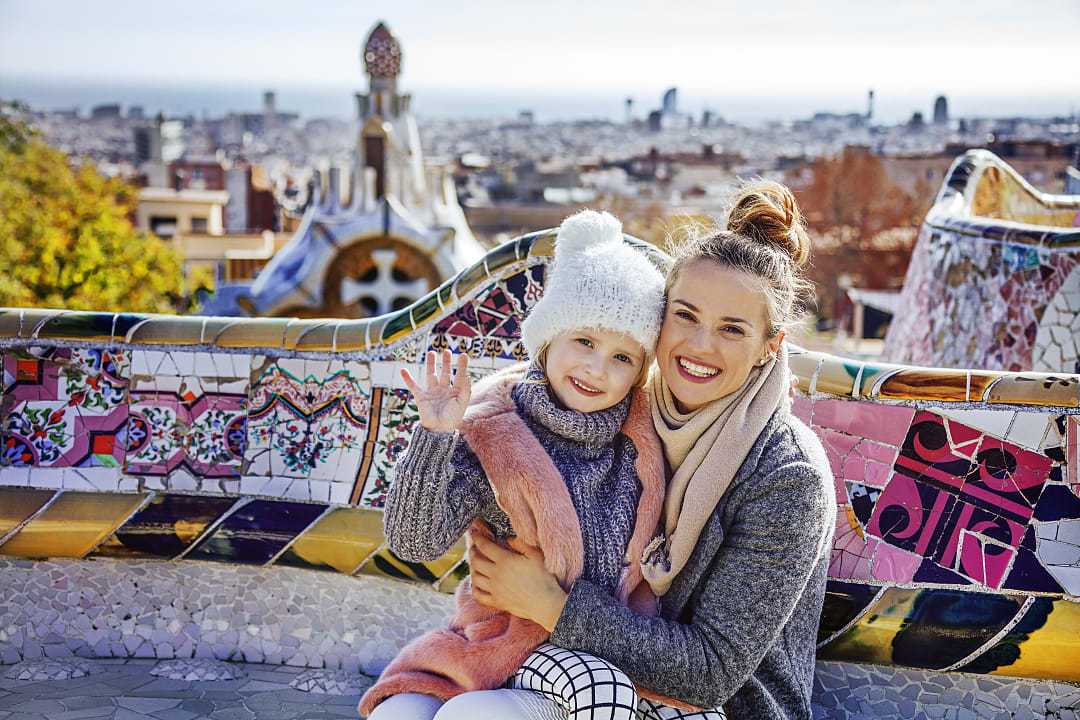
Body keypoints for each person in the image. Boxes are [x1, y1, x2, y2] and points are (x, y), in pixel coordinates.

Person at [468, 180, 837, 719]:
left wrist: (549, 604)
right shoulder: (622, 414)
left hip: (719, 709)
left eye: (731, 330)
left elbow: (712, 670)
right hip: (581, 673)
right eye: (685, 315)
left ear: (769, 348)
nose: (699, 346)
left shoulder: (786, 475)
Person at [360, 210, 675, 720]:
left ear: (641, 371)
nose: (596, 368)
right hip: (495, 641)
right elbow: (413, 543)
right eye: (585, 342)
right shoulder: (496, 427)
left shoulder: (642, 442)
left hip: (592, 658)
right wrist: (436, 435)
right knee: (400, 714)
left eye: (623, 357)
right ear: (550, 337)